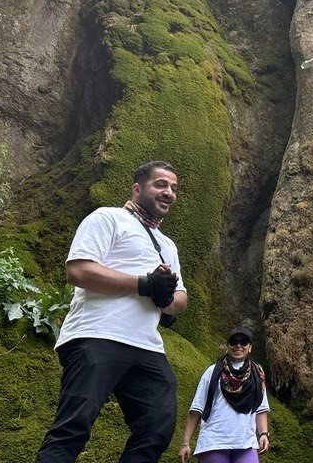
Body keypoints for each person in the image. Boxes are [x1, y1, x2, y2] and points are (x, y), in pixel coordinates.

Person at [36, 161, 188, 463]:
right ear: (137, 188)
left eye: (173, 188)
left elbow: (181, 300)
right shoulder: (108, 218)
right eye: (160, 184)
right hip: (96, 334)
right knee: (73, 427)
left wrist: (163, 294)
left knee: (157, 427)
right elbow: (78, 269)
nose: (168, 192)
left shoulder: (167, 245)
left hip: (146, 346)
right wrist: (143, 284)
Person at [178, 327, 270, 463]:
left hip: (246, 442)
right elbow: (196, 409)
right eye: (234, 342)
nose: (238, 345)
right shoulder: (212, 372)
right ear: (228, 346)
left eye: (244, 342)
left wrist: (263, 434)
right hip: (214, 441)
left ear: (250, 347)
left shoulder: (257, 374)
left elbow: (260, 408)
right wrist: (185, 443)